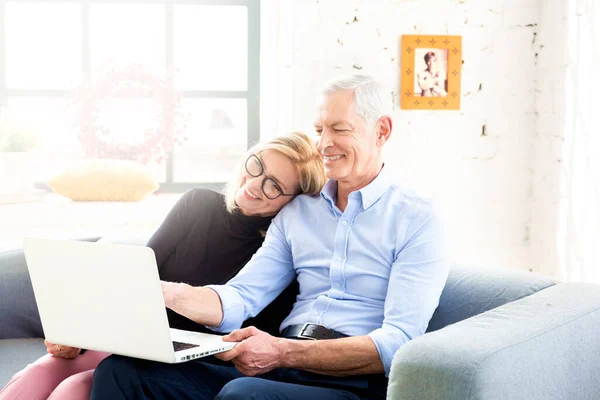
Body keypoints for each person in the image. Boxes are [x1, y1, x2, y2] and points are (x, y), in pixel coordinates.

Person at [90, 73, 449, 400]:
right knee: (124, 373)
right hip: (283, 369)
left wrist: (281, 350)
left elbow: (399, 341)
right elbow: (241, 297)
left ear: (382, 131)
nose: (324, 143)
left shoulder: (416, 218)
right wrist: (164, 292)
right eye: (320, 128)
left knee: (243, 395)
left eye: (339, 129)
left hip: (349, 384)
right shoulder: (299, 213)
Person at [0, 131, 326, 400]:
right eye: (256, 166)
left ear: (293, 201)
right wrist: (77, 335)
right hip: (137, 339)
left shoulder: (282, 253)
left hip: (191, 362)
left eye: (274, 185)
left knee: (71, 392)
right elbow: (136, 278)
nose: (255, 183)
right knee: (36, 377)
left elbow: (252, 338)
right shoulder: (197, 204)